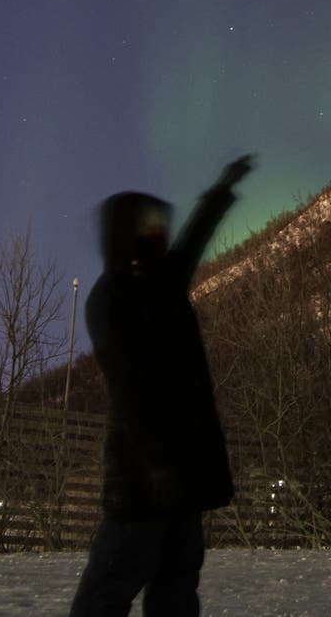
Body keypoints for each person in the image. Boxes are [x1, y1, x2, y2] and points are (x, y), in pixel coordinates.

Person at [70, 155, 254, 617]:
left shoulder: (160, 283)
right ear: (125, 233)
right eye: (147, 226)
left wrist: (220, 191)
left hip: (183, 476)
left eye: (159, 226)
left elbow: (193, 241)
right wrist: (157, 465)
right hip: (142, 480)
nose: (159, 234)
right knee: (110, 589)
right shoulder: (111, 297)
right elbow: (131, 390)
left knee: (176, 586)